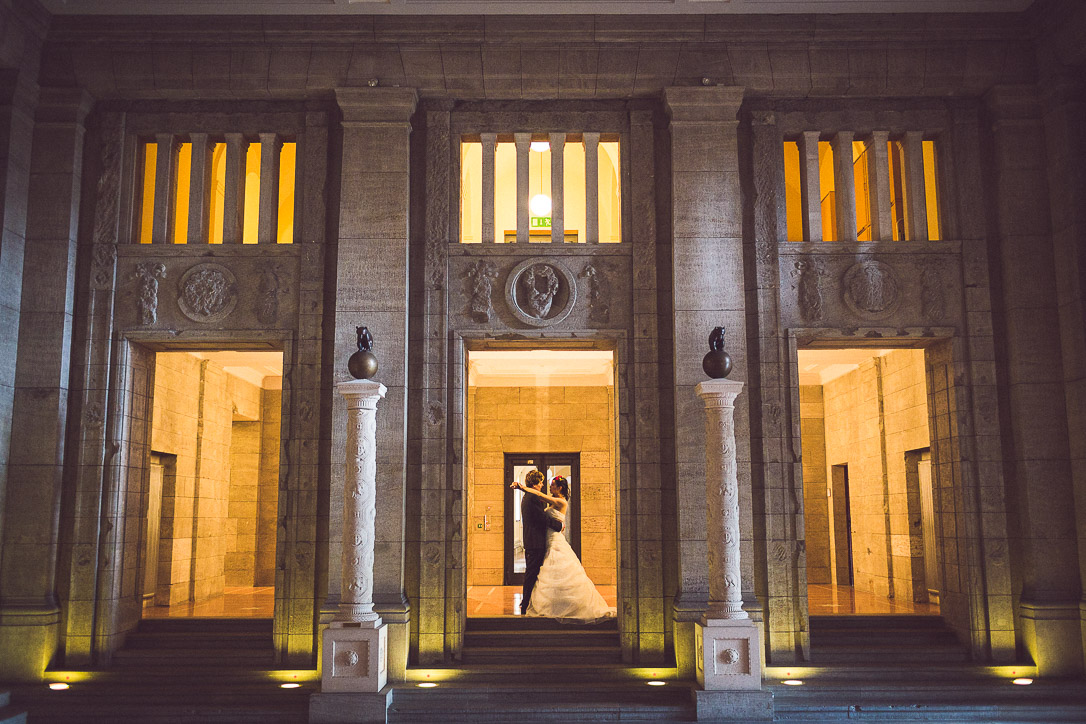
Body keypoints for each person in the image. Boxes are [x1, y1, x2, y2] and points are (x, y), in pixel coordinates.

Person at [512, 475, 616, 623]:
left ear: (560, 488)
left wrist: (522, 487)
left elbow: (539, 495)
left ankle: (565, 605)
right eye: (546, 483)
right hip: (546, 540)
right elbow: (538, 502)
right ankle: (553, 604)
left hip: (555, 540)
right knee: (547, 574)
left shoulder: (560, 501)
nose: (548, 486)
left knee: (557, 572)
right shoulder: (543, 499)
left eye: (553, 484)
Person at [518, 469, 563, 616]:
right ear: (535, 483)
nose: (543, 485)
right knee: (532, 574)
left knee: (533, 573)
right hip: (535, 541)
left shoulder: (529, 496)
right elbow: (541, 518)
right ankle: (525, 604)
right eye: (541, 482)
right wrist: (558, 526)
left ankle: (529, 602)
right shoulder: (531, 497)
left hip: (533, 540)